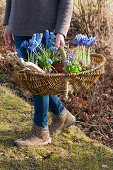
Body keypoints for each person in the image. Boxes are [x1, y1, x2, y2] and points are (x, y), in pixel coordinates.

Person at [3, 0, 75, 147]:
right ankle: (61, 115)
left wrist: (61, 30)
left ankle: (41, 132)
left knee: (39, 79)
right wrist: (8, 23)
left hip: (45, 29)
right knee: (33, 79)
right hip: (18, 25)